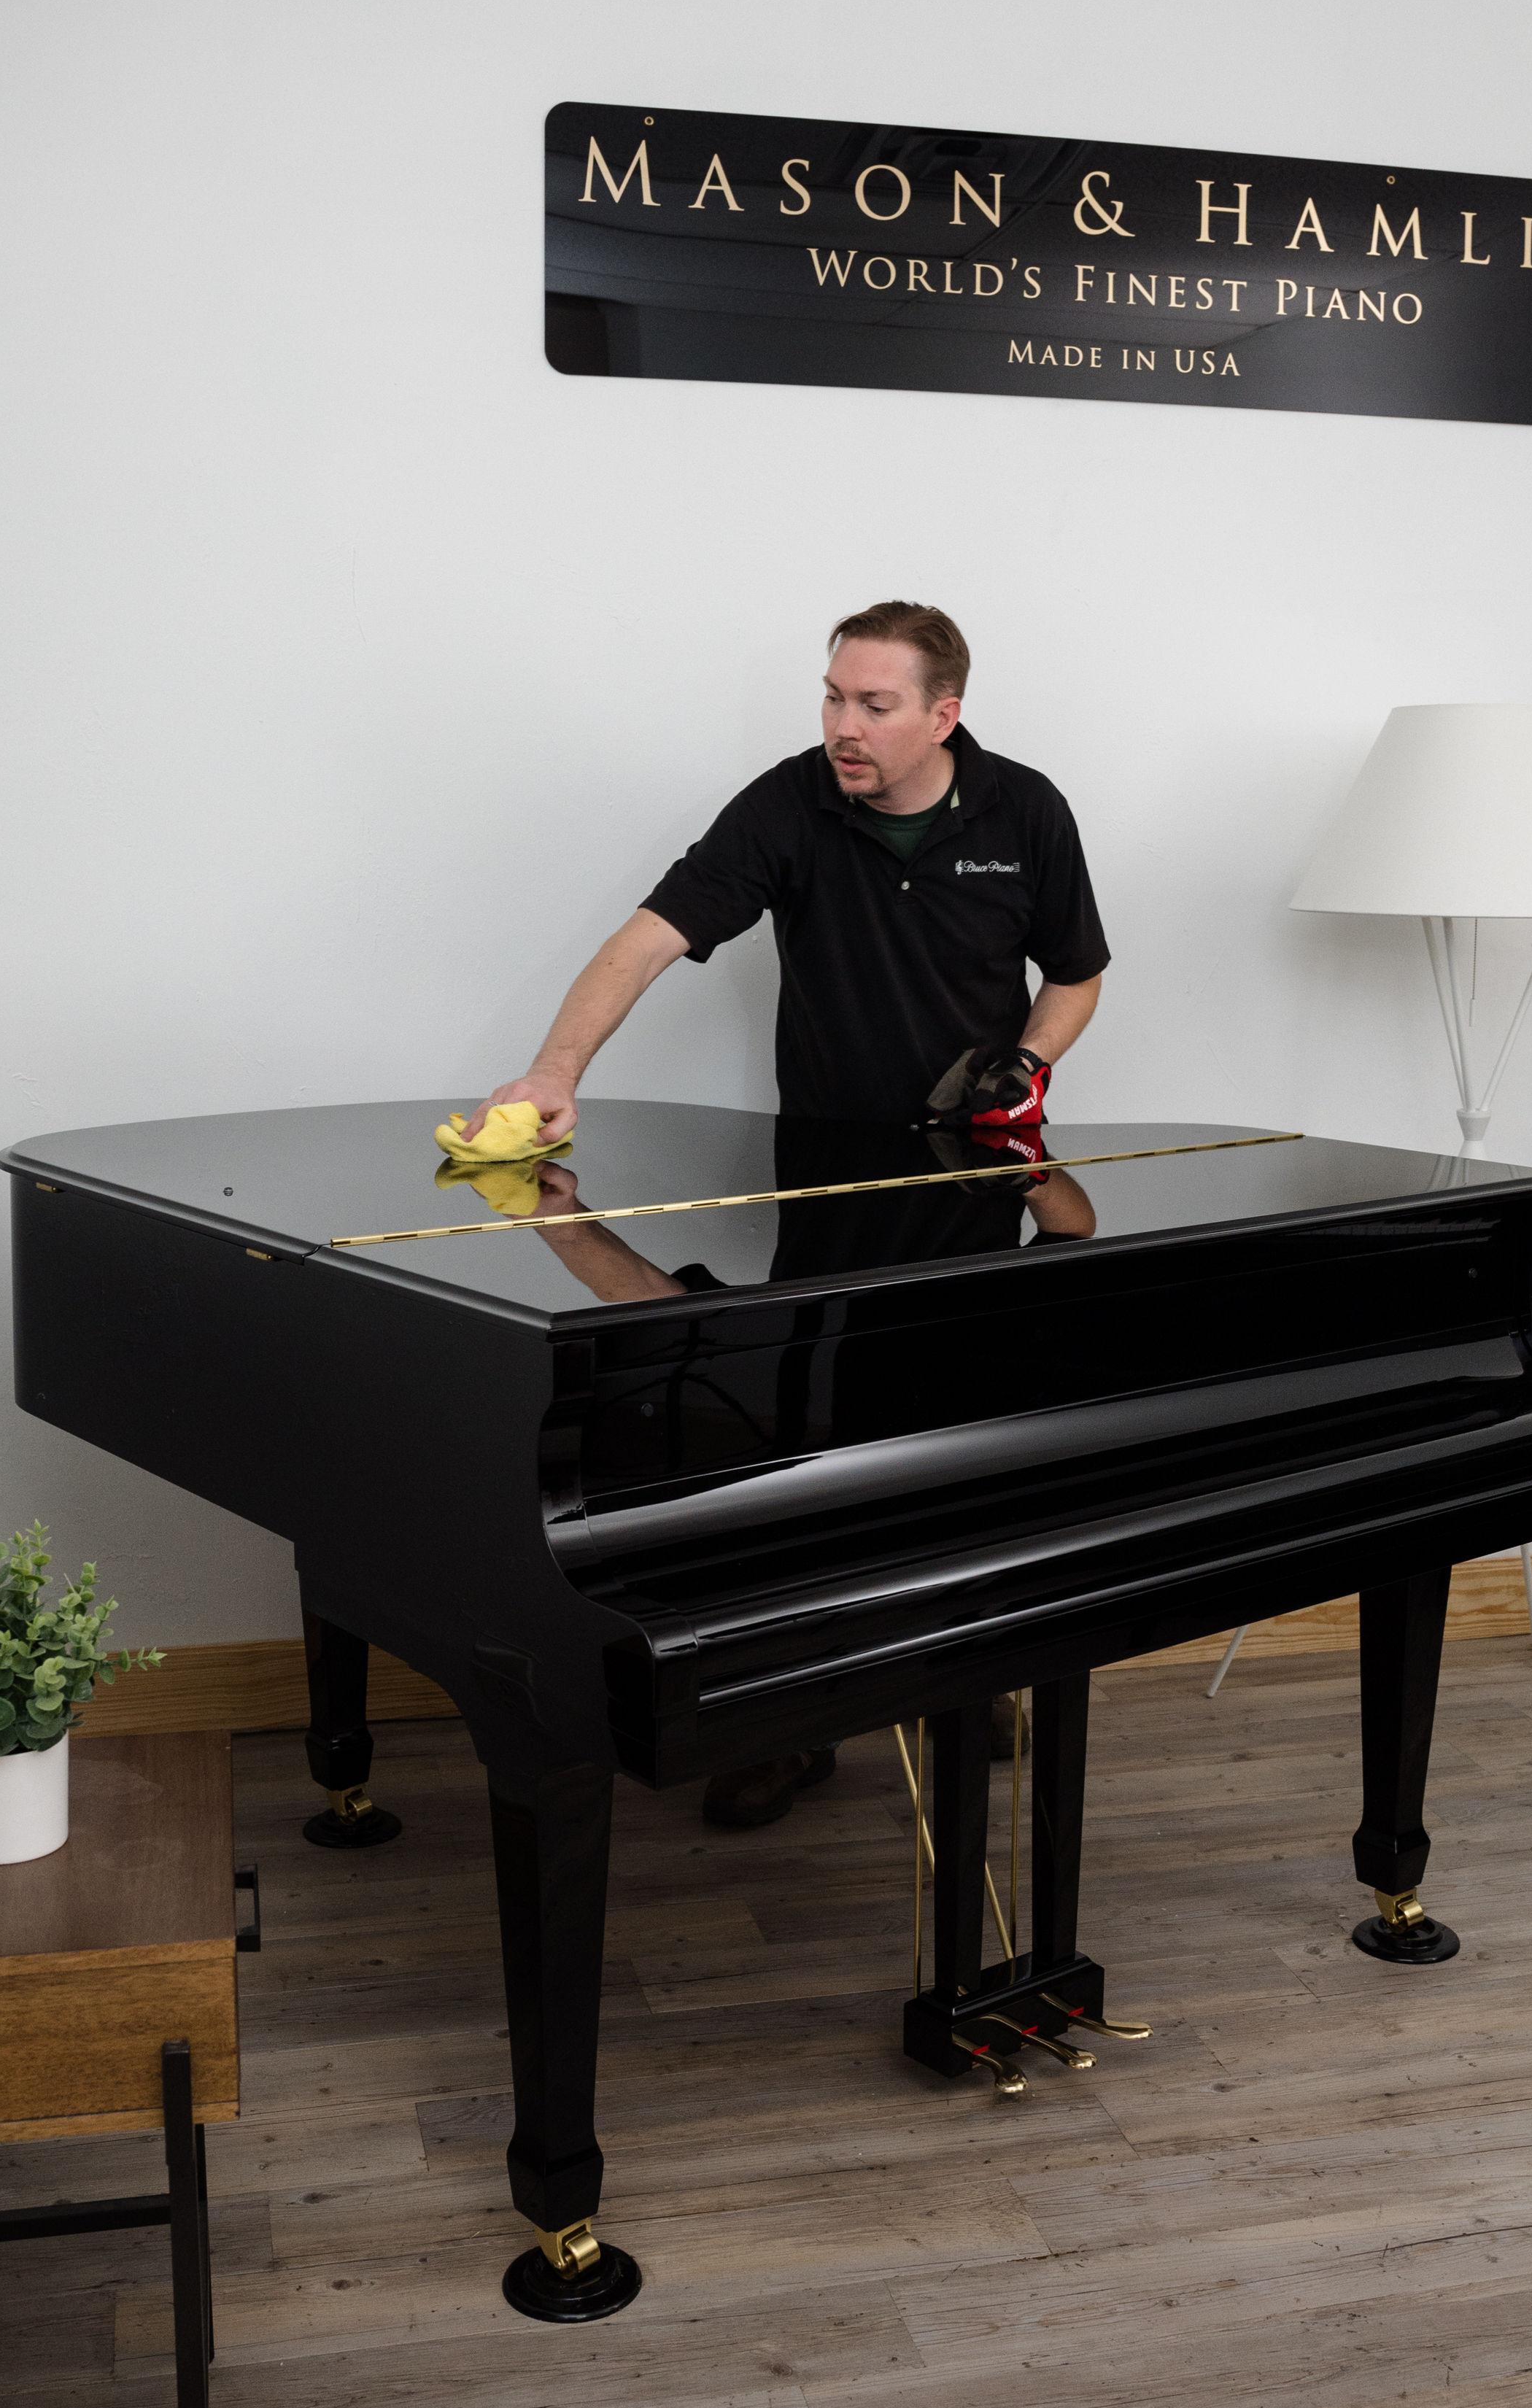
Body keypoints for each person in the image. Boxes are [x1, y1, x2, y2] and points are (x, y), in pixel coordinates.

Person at [463, 599, 1110, 1824]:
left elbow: (1076, 973)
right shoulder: (789, 802)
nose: (842, 726)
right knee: (789, 1492)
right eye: (831, 697)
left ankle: (977, 1680)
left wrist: (1026, 1066)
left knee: (960, 1479)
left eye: (872, 705)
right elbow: (646, 941)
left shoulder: (1027, 809)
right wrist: (554, 1074)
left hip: (973, 1195)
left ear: (944, 716)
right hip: (821, 1195)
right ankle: (789, 1726)